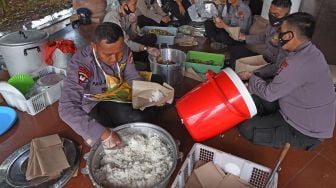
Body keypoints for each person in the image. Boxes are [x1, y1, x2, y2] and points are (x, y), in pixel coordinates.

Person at [237, 12, 336, 150]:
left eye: (280, 32)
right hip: (297, 107)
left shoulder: (298, 63)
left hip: (305, 129)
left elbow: (269, 94)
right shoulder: (309, 52)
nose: (277, 36)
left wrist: (251, 77)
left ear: (289, 36)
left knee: (245, 127)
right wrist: (254, 75)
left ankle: (279, 134)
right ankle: (269, 121)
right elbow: (278, 70)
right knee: (253, 98)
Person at [58, 23, 160, 149]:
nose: (115, 59)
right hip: (94, 101)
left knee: (153, 94)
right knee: (112, 130)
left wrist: (149, 94)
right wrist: (104, 134)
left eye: (119, 53)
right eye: (108, 55)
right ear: (94, 47)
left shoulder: (125, 50)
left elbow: (132, 77)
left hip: (115, 90)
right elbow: (66, 109)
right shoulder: (81, 65)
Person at [228, 0, 292, 69]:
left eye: (276, 15)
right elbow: (264, 37)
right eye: (270, 12)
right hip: (265, 57)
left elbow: (280, 66)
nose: (272, 17)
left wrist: (256, 74)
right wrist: (245, 38)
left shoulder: (288, 36)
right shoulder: (272, 24)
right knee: (237, 50)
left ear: (287, 15)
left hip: (272, 66)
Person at [104, 0, 160, 70]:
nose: (136, 7)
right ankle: (141, 69)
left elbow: (133, 37)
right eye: (134, 4)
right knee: (146, 54)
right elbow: (126, 43)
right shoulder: (113, 17)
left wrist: (134, 24)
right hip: (117, 52)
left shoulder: (127, 15)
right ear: (125, 5)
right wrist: (146, 48)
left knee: (151, 38)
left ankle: (141, 65)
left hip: (126, 46)